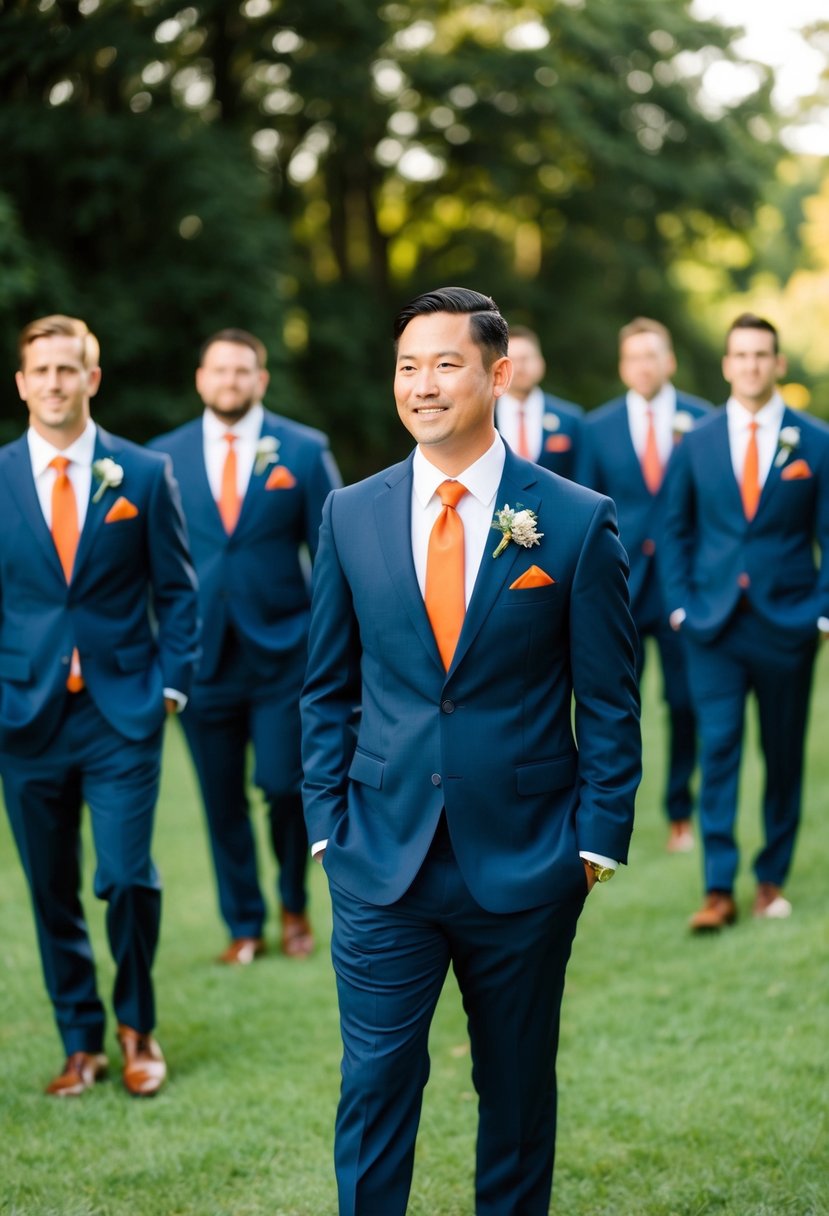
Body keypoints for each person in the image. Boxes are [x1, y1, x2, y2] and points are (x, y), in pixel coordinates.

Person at [300, 287, 641, 1215]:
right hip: (379, 857)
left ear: (497, 374)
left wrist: (594, 842)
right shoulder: (349, 514)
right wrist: (327, 827)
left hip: (528, 858)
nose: (422, 384)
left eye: (445, 363)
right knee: (373, 1088)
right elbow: (326, 687)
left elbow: (609, 698)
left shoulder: (572, 519)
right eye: (408, 365)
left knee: (518, 1094)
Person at [0, 315, 199, 1096]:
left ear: (93, 377)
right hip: (24, 718)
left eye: (68, 369)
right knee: (49, 886)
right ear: (22, 383)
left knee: (124, 877)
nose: (54, 382)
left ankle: (137, 1027)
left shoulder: (142, 475)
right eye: (40, 370)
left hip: (123, 713)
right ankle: (79, 1041)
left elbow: (179, 590)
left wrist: (170, 686)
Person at [151, 329, 340, 964]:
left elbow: (333, 554)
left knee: (287, 786)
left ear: (260, 380)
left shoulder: (304, 450)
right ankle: (243, 923)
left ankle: (293, 905)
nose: (230, 382)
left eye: (243, 372)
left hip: (285, 653)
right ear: (201, 379)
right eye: (219, 371)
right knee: (220, 796)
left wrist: (330, 640)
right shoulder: (161, 459)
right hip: (202, 657)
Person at [662, 313, 829, 930]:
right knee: (721, 749)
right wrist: (680, 605)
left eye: (763, 354)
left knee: (783, 756)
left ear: (778, 364)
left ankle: (770, 880)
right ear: (728, 365)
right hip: (712, 628)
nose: (752, 365)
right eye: (742, 355)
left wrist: (821, 613)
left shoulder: (815, 441)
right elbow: (672, 528)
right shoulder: (696, 441)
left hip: (788, 625)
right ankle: (717, 890)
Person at [577, 317, 711, 853]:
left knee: (684, 702)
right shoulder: (597, 427)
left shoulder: (704, 420)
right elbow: (586, 507)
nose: (644, 366)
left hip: (685, 586)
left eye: (652, 356)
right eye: (634, 358)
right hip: (622, 589)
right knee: (614, 706)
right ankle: (611, 813)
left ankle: (681, 811)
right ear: (622, 366)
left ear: (669, 360)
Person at [496, 324, 582, 478]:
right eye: (513, 360)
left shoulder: (570, 419)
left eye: (526, 359)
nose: (520, 368)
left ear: (541, 362)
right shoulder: (483, 416)